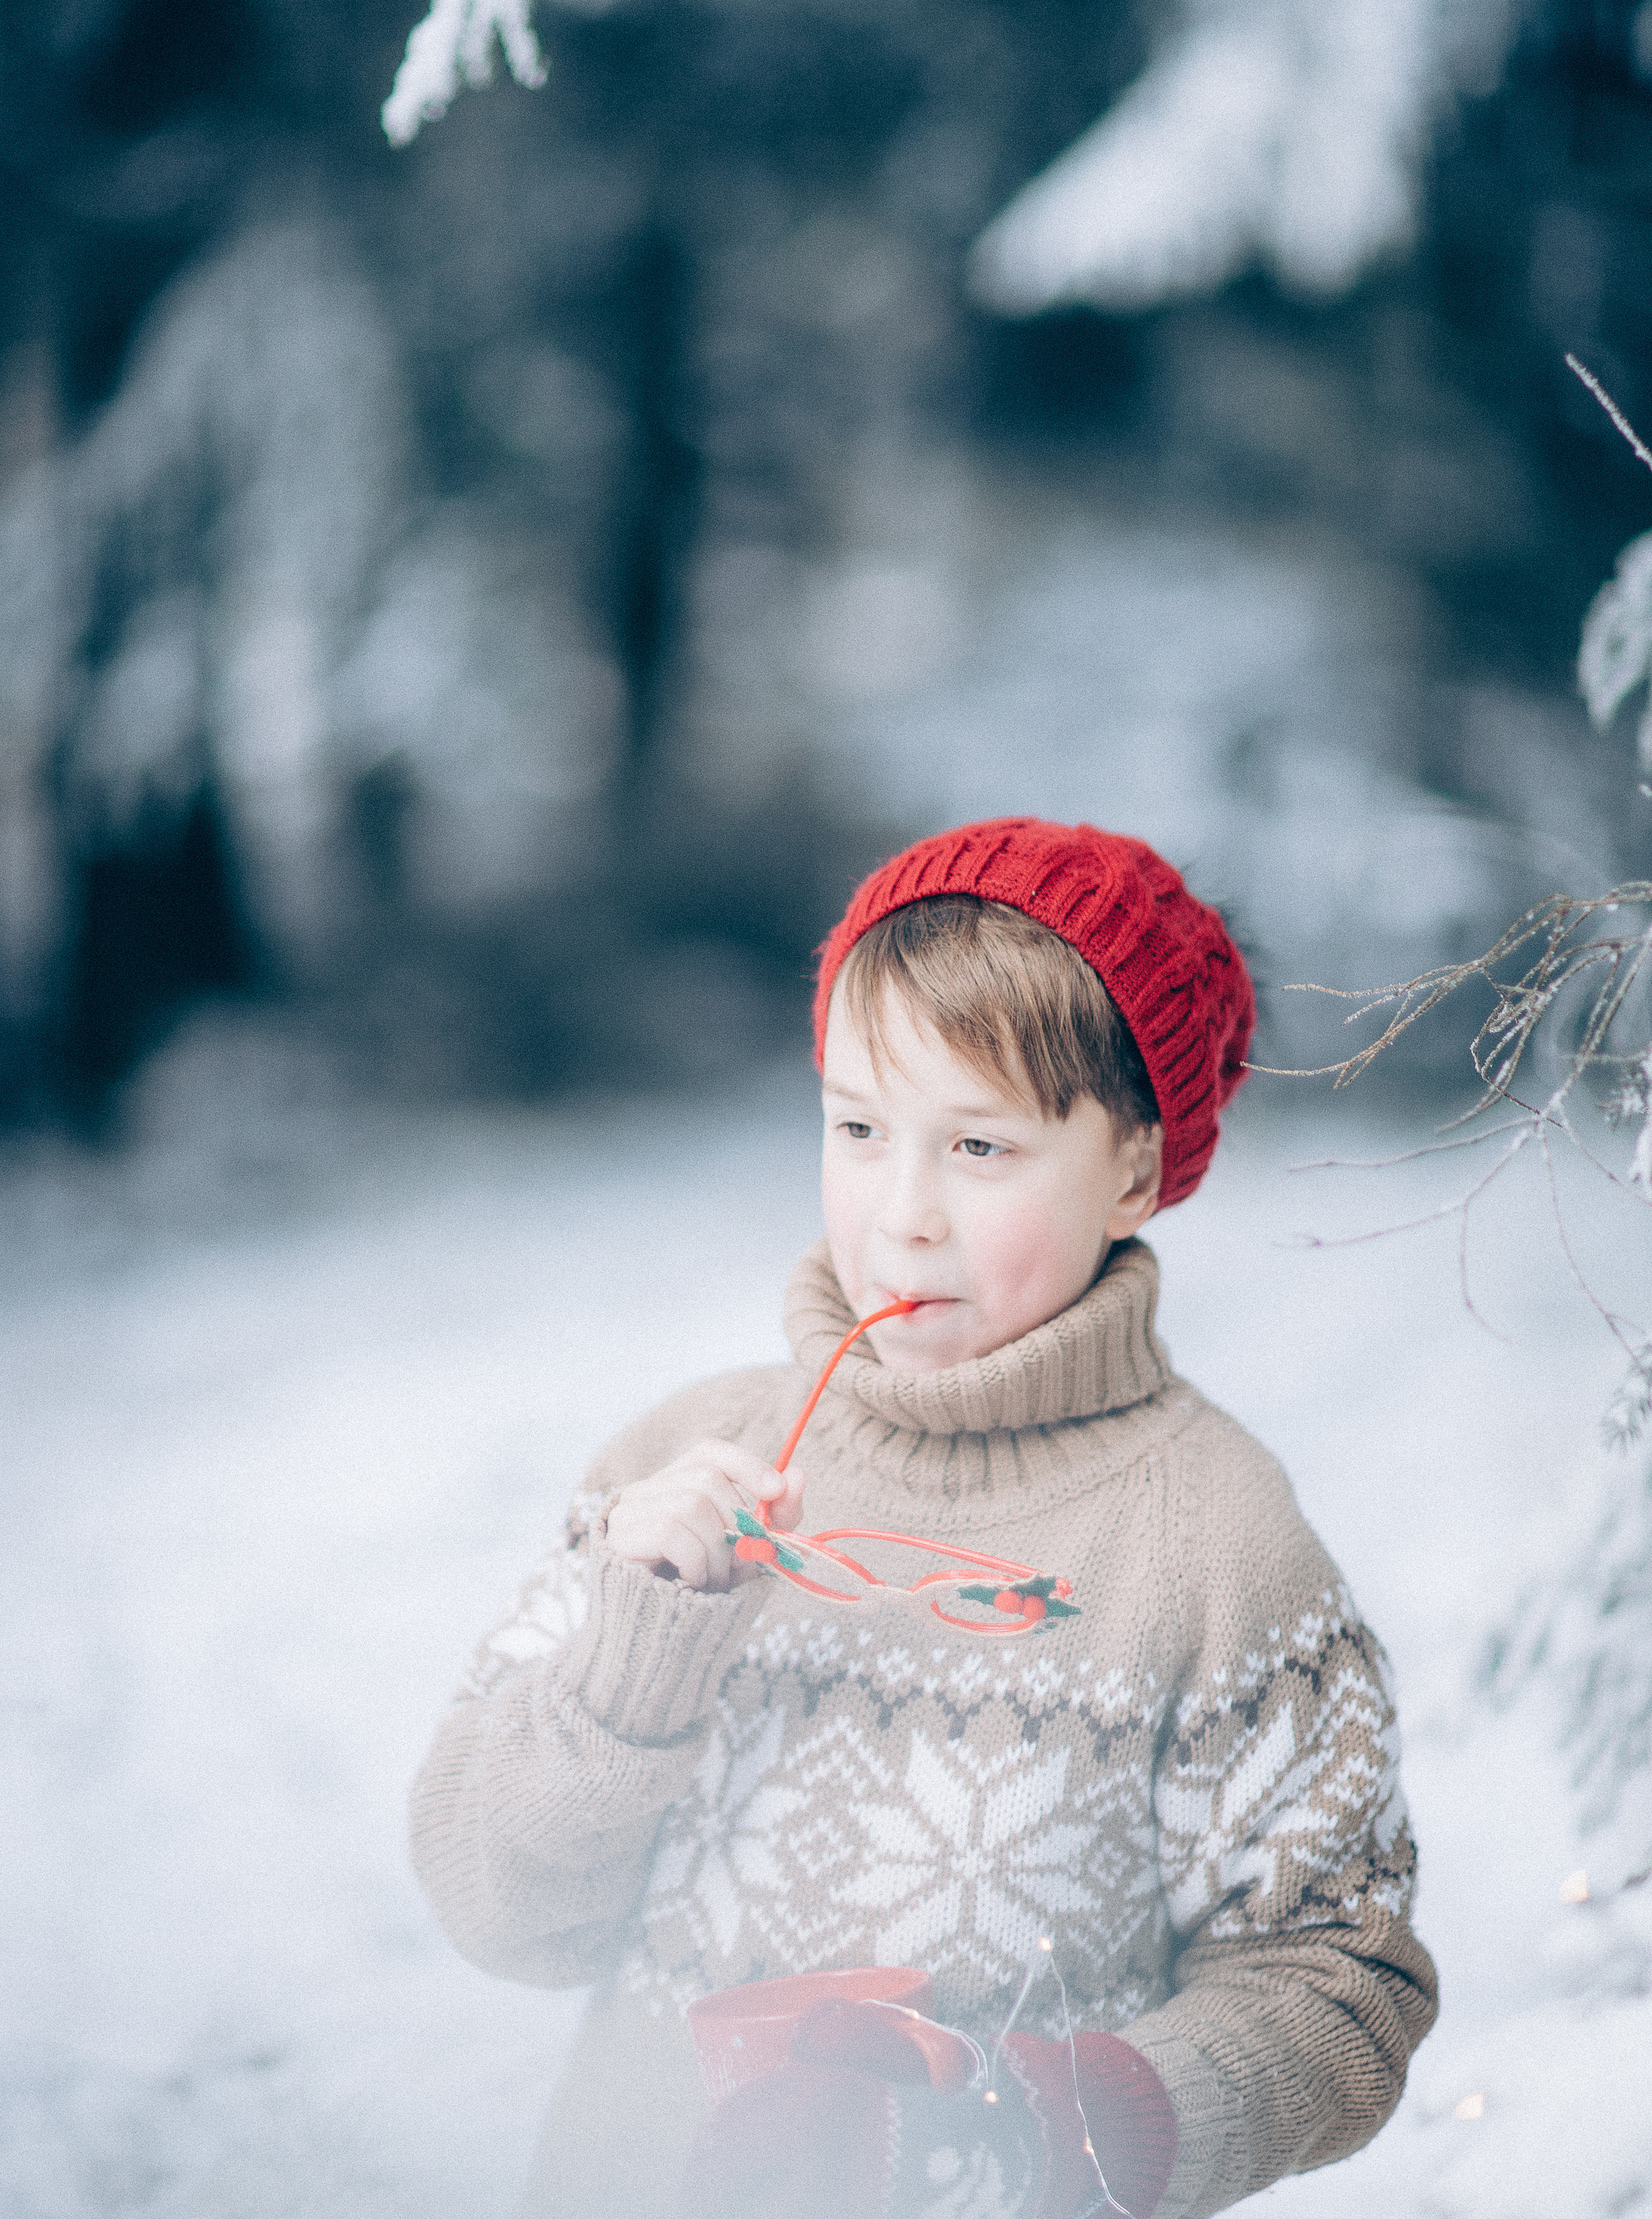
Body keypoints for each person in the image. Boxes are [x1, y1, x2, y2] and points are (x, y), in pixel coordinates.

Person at [410, 818, 1438, 2219]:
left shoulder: (1212, 1540)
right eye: (856, 1129)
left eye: (977, 1144)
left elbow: (1337, 1984)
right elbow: (495, 1911)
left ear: (1131, 1172)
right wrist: (629, 1664)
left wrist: (1063, 2126)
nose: (902, 1213)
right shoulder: (680, 1465)